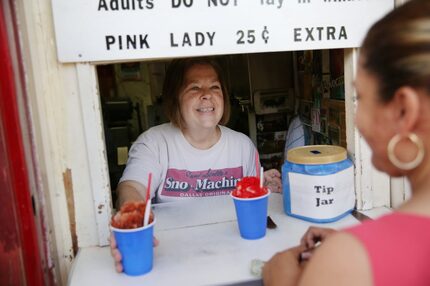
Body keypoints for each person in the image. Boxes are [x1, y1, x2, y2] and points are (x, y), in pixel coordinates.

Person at [263, 1, 430, 285]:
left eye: (361, 98)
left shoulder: (347, 263)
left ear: (404, 111)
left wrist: (282, 279)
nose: (356, 119)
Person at [110, 57, 282, 272]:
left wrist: (267, 188)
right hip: (174, 260)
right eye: (194, 87)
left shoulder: (242, 146)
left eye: (214, 86)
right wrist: (131, 218)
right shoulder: (153, 142)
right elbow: (132, 187)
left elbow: (254, 202)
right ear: (175, 98)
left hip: (236, 258)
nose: (206, 94)